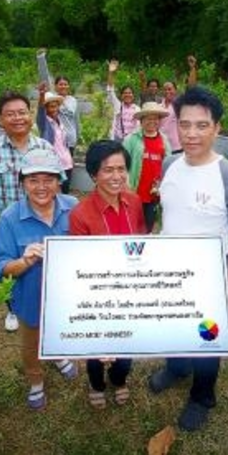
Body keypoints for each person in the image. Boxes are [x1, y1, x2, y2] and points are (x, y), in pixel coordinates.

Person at [147, 86, 228, 432]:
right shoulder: (169, 164)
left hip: (210, 279)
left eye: (201, 125)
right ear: (175, 125)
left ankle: (202, 395)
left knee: (207, 340)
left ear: (217, 127)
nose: (192, 133)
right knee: (172, 327)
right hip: (169, 271)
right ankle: (177, 367)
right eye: (185, 124)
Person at [0, 148, 79, 410]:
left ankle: (58, 356)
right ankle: (35, 379)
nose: (42, 187)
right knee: (31, 339)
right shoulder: (10, 217)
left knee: (60, 330)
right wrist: (25, 261)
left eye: (49, 179)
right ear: (22, 183)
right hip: (30, 295)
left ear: (59, 180)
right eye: (33, 180)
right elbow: (1, 266)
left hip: (67, 294)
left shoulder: (73, 207)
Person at [0, 90, 61, 332]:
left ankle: (47, 307)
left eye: (22, 112)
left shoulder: (45, 147)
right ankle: (13, 308)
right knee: (10, 267)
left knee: (42, 268)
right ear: (0, 119)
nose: (17, 118)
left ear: (30, 115)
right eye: (10, 114)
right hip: (11, 225)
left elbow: (56, 186)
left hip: (42, 222)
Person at [68, 140, 146, 409]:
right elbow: (80, 265)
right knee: (96, 350)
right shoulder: (80, 214)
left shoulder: (134, 201)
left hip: (130, 289)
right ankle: (97, 383)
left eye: (121, 169)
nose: (116, 177)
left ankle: (119, 379)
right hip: (98, 293)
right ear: (93, 175)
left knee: (127, 347)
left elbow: (141, 242)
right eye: (107, 170)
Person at [122, 102, 171, 233]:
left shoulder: (164, 140)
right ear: (141, 120)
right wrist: (125, 186)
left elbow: (168, 166)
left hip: (153, 193)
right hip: (134, 191)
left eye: (156, 118)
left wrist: (162, 186)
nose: (152, 121)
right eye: (148, 118)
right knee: (130, 224)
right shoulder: (131, 140)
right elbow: (122, 165)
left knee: (148, 226)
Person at [144, 55, 198, 154]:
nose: (167, 91)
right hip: (160, 146)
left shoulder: (179, 104)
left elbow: (191, 88)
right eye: (165, 89)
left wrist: (192, 68)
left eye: (170, 89)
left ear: (175, 90)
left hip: (176, 147)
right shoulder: (159, 106)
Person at [37, 48, 80, 157]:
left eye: (66, 84)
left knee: (68, 166)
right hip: (56, 139)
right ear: (55, 86)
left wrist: (77, 136)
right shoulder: (53, 99)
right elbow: (45, 77)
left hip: (70, 139)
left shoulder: (72, 100)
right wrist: (41, 58)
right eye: (61, 84)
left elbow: (76, 119)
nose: (63, 86)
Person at [36, 84, 74, 194]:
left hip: (67, 162)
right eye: (50, 106)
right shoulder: (44, 123)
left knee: (65, 192)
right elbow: (40, 110)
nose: (54, 109)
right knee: (54, 193)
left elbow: (63, 143)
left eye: (56, 106)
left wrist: (70, 158)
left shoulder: (60, 121)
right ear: (46, 108)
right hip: (54, 164)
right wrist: (42, 94)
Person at [107, 59, 140, 141]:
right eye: (125, 93)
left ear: (133, 95)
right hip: (119, 139)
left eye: (130, 93)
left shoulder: (137, 109)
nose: (127, 95)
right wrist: (111, 72)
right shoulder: (118, 105)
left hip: (132, 140)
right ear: (121, 96)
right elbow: (110, 90)